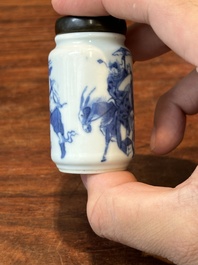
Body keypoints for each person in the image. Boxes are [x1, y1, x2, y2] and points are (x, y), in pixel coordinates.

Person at [52, 1, 198, 264]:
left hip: (116, 100)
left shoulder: (118, 61)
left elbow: (119, 90)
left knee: (118, 109)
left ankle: (118, 138)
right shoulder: (74, 57)